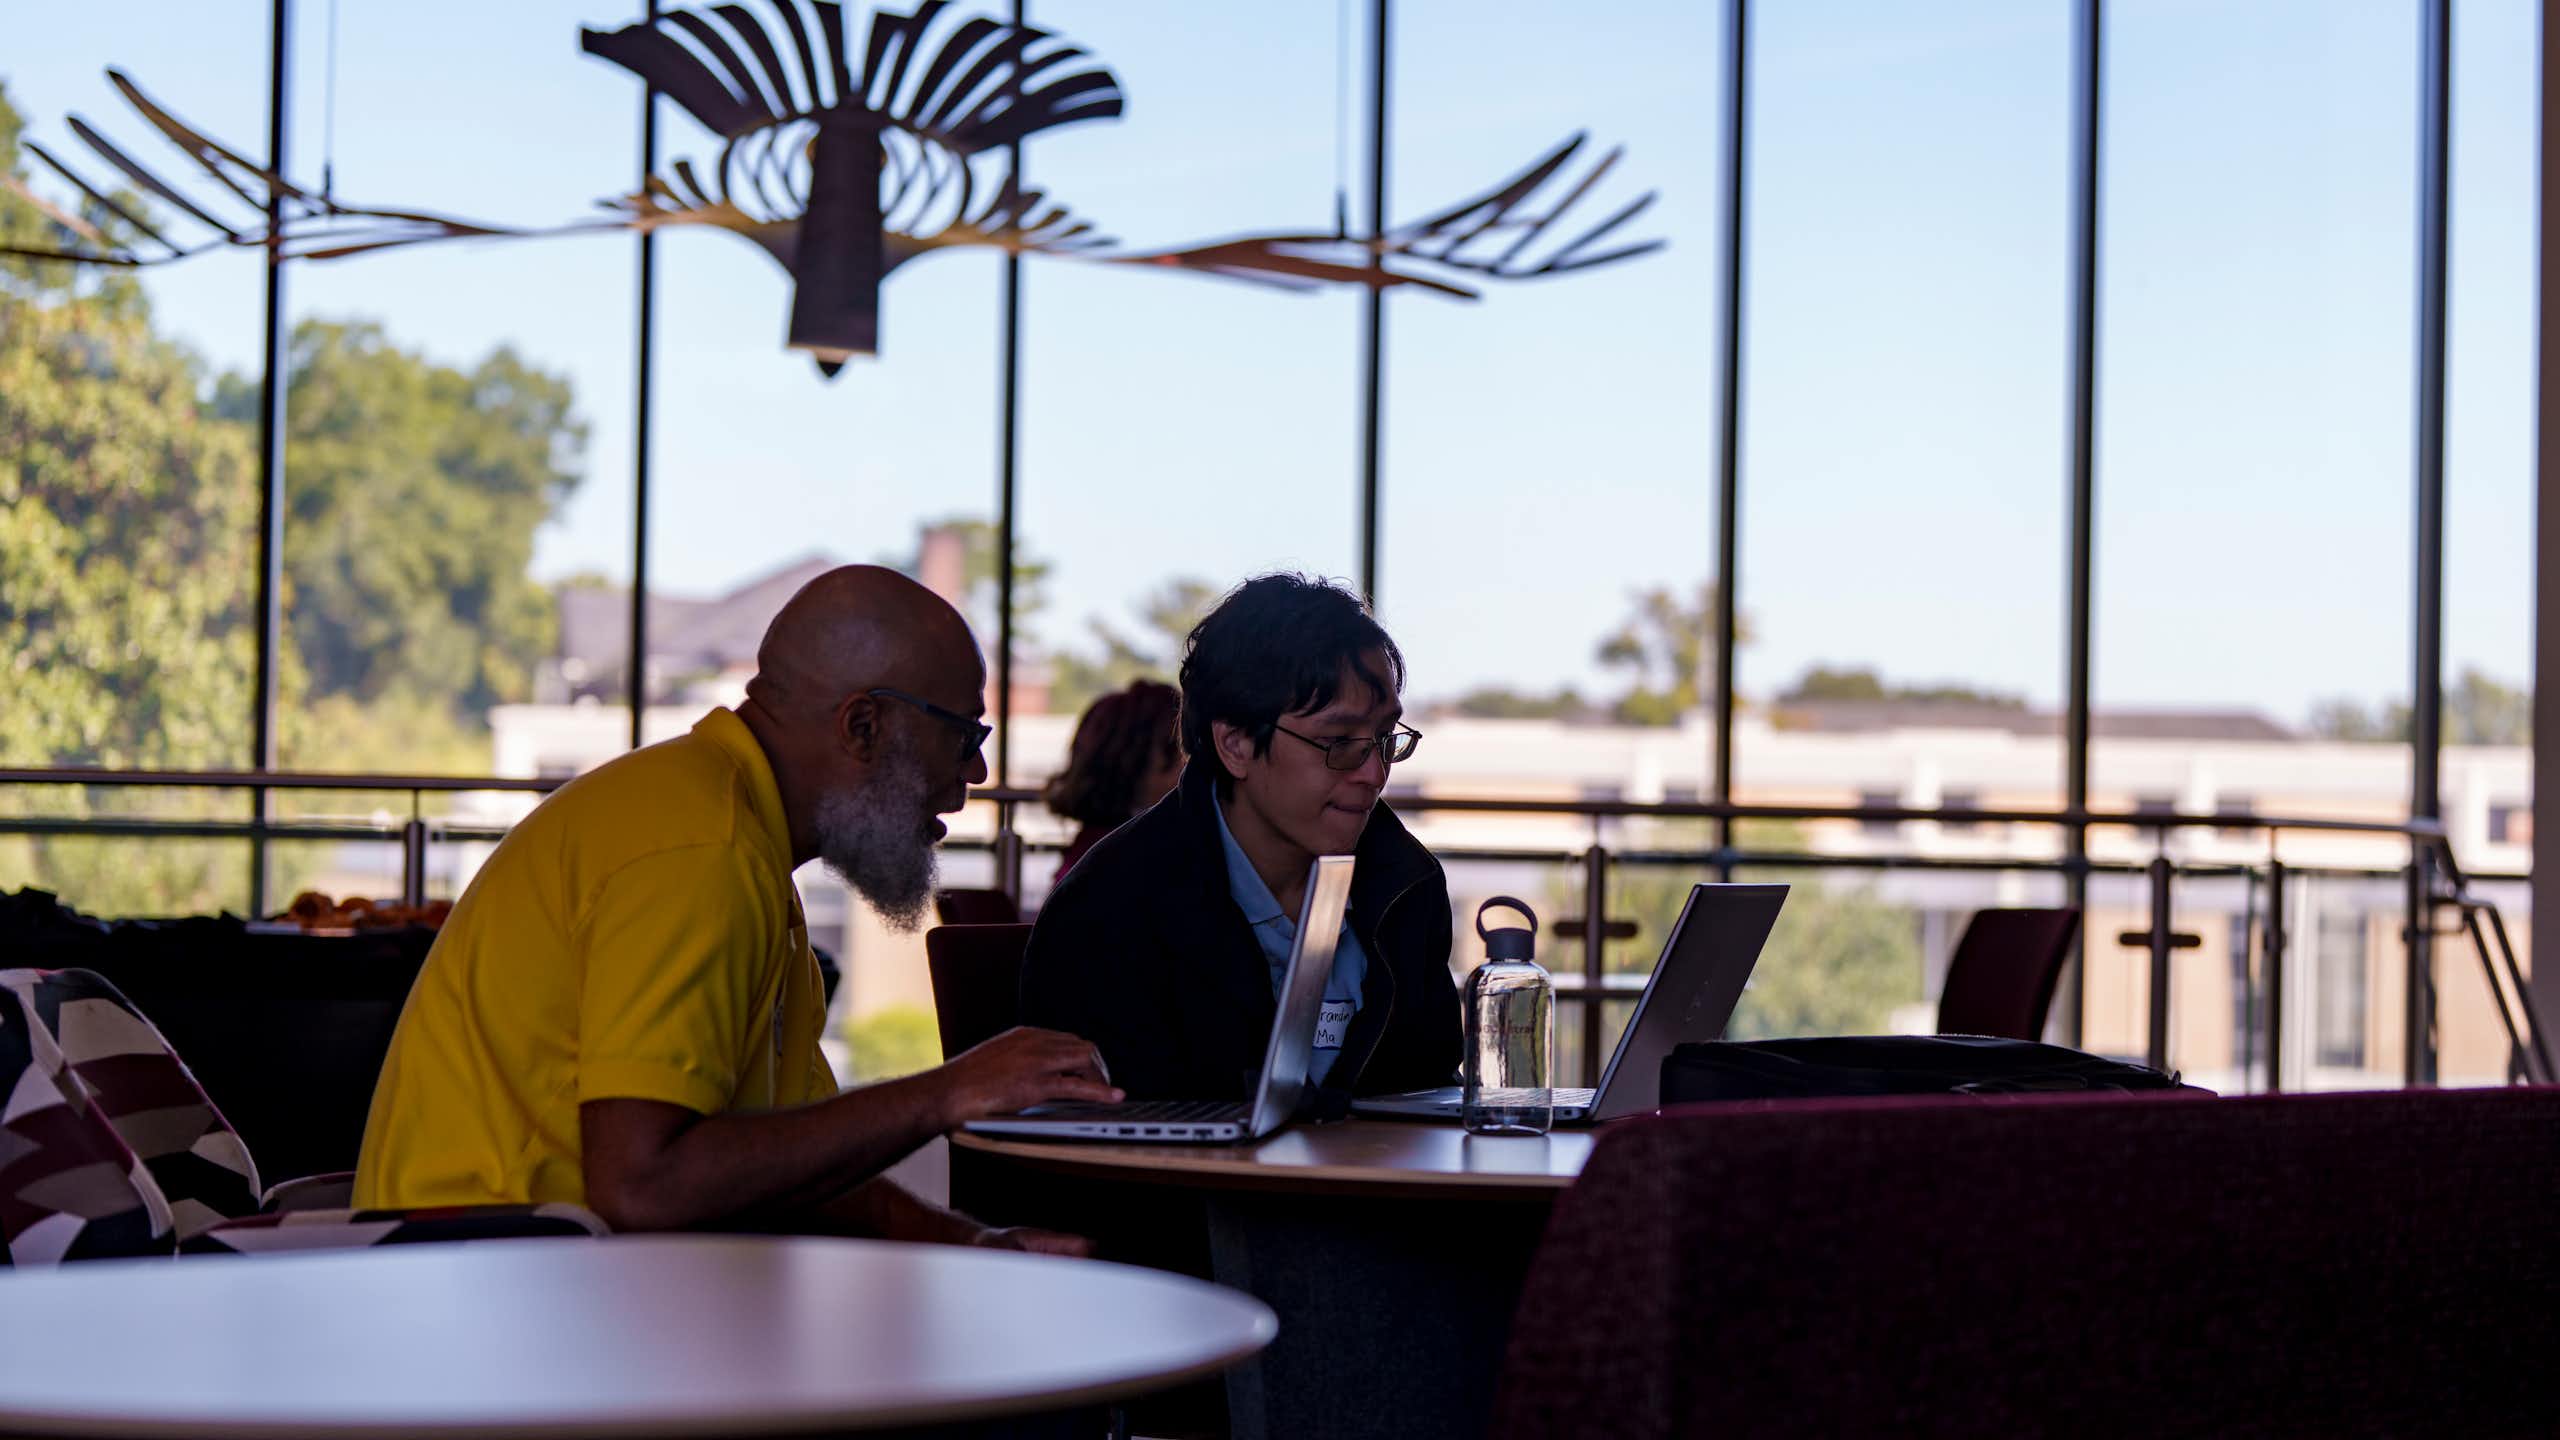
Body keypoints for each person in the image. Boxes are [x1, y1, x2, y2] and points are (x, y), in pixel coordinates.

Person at [354, 565, 1121, 1247]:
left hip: (536, 1285)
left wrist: (978, 1248)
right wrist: (944, 1092)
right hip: (484, 1310)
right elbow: (644, 1189)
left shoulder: (736, 844)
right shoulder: (700, 851)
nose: (979, 771)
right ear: (863, 725)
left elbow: (798, 1167)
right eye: (962, 736)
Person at [1020, 573, 1458, 1100]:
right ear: (1235, 745)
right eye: (1338, 742)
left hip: (1368, 1182)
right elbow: (1105, 1139)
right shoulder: (1114, 907)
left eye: (1385, 738)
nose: (1372, 773)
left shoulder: (1405, 883)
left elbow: (1428, 1081)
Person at [1043, 679, 1183, 876]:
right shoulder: (1131, 858)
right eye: (1180, 750)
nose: (1189, 765)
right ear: (1136, 759)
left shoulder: (1089, 852)